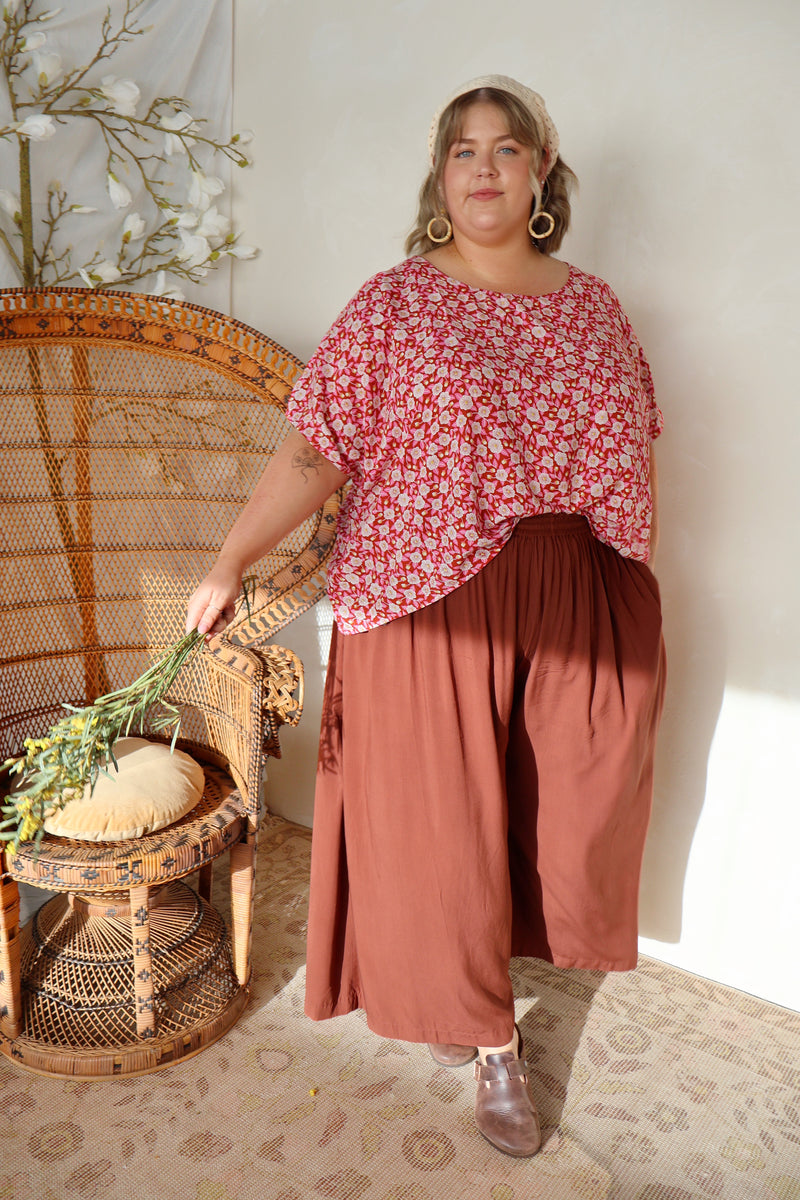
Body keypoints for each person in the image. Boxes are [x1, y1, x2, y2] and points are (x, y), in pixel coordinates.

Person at [186, 74, 666, 1159]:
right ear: (440, 177)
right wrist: (229, 560)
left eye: (506, 148)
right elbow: (316, 449)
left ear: (540, 173)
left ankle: (462, 981)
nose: (484, 167)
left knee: (562, 811)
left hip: (566, 580)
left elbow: (632, 450)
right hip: (421, 590)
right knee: (445, 829)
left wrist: (637, 583)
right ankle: (491, 1039)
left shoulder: (593, 306)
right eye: (463, 150)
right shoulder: (394, 303)